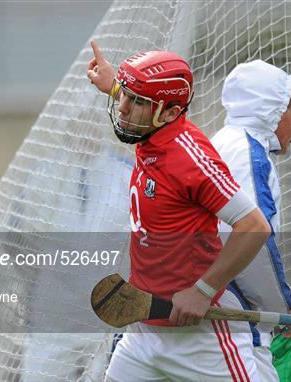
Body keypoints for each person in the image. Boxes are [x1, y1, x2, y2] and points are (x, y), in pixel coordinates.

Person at [87, 41, 271, 381]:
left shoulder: (190, 157)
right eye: (125, 96)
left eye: (136, 100)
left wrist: (202, 290)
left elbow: (254, 226)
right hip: (144, 329)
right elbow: (143, 108)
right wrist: (117, 85)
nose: (123, 108)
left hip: (200, 339)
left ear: (170, 113)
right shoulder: (151, 127)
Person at [212, 60, 291, 381]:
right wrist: (284, 307)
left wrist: (289, 300)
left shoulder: (221, 142)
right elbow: (248, 242)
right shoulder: (248, 154)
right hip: (224, 326)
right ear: (274, 110)